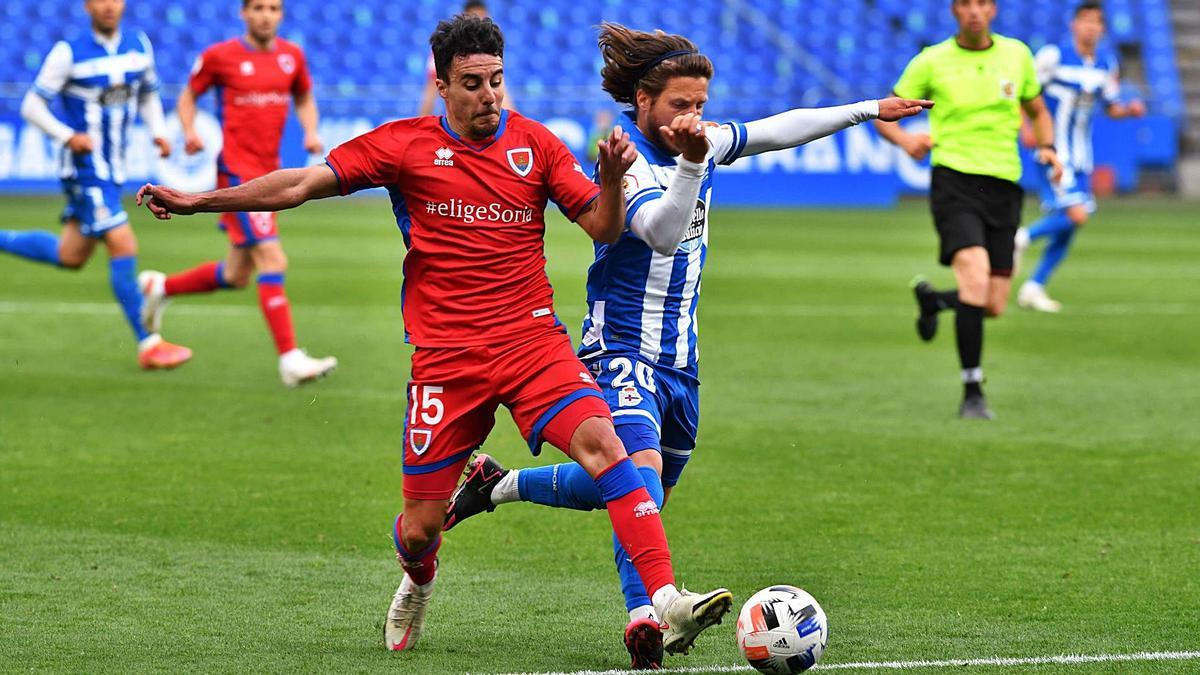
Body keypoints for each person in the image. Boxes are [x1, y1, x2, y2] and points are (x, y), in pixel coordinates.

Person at [136, 13, 731, 658]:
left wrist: (612, 181)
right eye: (472, 83)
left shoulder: (538, 145)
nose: (488, 96)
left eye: (497, 81)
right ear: (442, 85)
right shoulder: (402, 146)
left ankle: (663, 597)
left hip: (531, 342)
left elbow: (604, 229)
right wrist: (202, 200)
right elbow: (301, 184)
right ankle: (419, 577)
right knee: (419, 530)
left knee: (607, 449)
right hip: (446, 360)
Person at [440, 22, 932, 670]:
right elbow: (662, 232)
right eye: (680, 104)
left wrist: (868, 110)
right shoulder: (626, 157)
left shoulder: (701, 139)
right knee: (636, 475)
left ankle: (496, 484)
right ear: (644, 102)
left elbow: (782, 128)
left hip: (681, 366)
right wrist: (695, 162)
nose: (693, 117)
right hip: (618, 352)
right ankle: (648, 617)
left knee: (620, 493)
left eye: (700, 105)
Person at [874, 0, 1062, 420]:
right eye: (965, 4)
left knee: (992, 304)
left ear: (992, 9)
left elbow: (1037, 110)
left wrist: (1048, 147)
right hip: (955, 182)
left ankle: (935, 301)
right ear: (955, 11)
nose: (974, 11)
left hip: (1005, 185)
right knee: (974, 280)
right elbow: (885, 115)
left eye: (981, 3)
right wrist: (907, 142)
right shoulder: (931, 61)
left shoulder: (1017, 55)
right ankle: (973, 392)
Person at [138, 0, 336, 386]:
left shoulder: (291, 56)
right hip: (237, 173)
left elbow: (304, 96)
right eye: (258, 7)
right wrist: (190, 130)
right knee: (272, 259)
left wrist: (310, 129)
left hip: (271, 175)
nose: (266, 15)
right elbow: (188, 95)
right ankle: (290, 359)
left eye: (274, 8)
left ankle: (160, 287)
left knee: (237, 274)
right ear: (244, 13)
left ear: (281, 15)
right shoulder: (220, 56)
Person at [0, 0, 191, 370]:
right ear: (88, 5)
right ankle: (148, 343)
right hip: (84, 168)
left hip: (113, 167)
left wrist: (159, 132)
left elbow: (148, 93)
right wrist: (67, 135)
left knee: (71, 255)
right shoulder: (68, 52)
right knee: (122, 240)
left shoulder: (138, 44)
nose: (108, 6)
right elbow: (31, 107)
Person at [1014, 0, 1146, 313]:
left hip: (1082, 156)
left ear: (1102, 28)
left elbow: (1110, 107)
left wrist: (1128, 110)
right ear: (1074, 24)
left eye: (1096, 22)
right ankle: (1020, 238)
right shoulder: (1053, 56)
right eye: (1085, 20)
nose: (1090, 26)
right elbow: (1025, 90)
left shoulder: (1105, 64)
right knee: (1076, 215)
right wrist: (1025, 126)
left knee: (1072, 223)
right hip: (1054, 150)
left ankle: (1034, 287)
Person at [417, 0, 515, 116]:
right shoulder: (447, 50)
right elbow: (431, 91)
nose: (480, 24)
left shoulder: (492, 51)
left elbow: (503, 97)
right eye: (475, 18)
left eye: (483, 19)